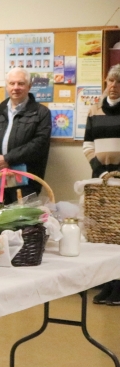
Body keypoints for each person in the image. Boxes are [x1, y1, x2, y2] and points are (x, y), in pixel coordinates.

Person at [0, 68, 52, 205]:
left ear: (29, 86)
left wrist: (8, 159)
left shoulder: (41, 113)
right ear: (7, 86)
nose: (16, 88)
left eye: (21, 83)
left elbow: (39, 144)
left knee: (24, 222)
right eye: (12, 83)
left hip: (26, 181)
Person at [83, 64, 120, 305]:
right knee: (104, 233)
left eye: (118, 82)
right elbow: (87, 144)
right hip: (100, 179)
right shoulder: (94, 109)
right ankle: (107, 285)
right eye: (110, 81)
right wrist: (99, 169)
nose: (114, 86)